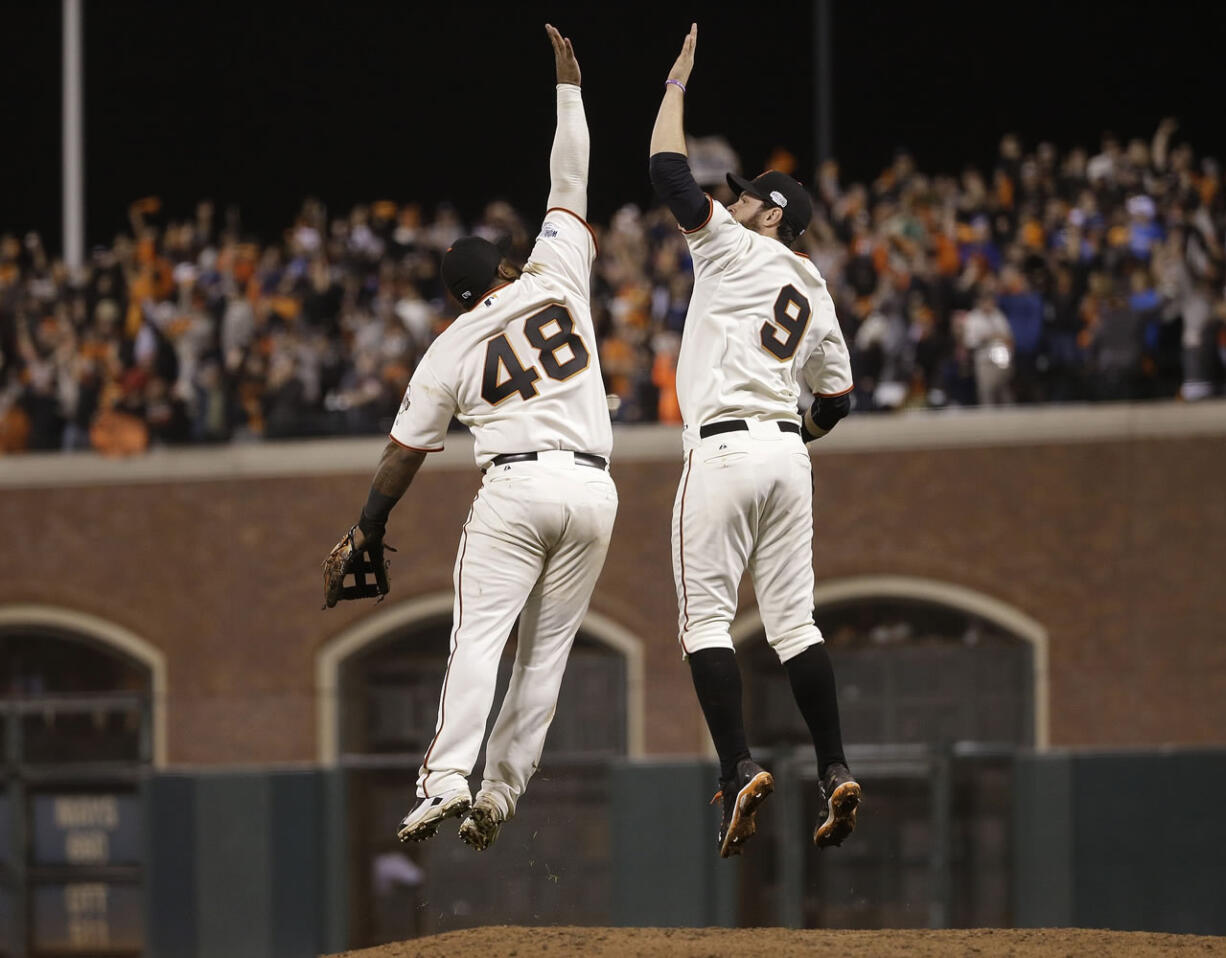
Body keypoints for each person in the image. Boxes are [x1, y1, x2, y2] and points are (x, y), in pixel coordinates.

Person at [322, 24, 617, 853]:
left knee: (480, 639)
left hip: (518, 488)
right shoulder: (557, 271)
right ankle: (501, 793)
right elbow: (571, 175)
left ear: (457, 297)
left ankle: (447, 780)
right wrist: (569, 88)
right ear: (505, 268)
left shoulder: (448, 346)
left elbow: (401, 456)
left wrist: (367, 528)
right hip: (594, 490)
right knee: (546, 657)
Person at [648, 23, 860, 858]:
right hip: (787, 454)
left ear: (772, 213)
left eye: (745, 195)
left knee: (704, 620)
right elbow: (838, 401)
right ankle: (835, 765)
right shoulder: (817, 287)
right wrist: (794, 433)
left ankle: (739, 767)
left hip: (727, 448)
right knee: (795, 626)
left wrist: (673, 89)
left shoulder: (737, 247)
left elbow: (667, 172)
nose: (732, 199)